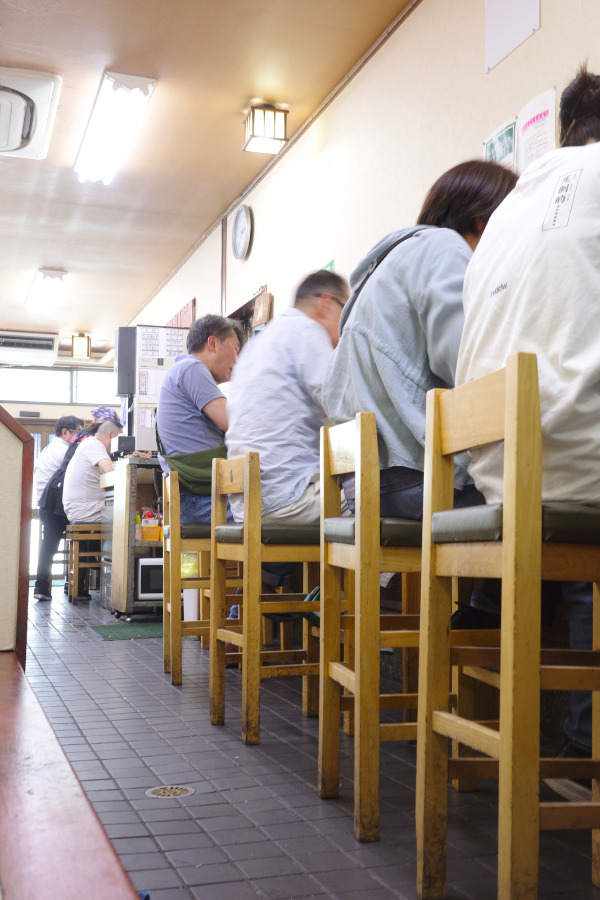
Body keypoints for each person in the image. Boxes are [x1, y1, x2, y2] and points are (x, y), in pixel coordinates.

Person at [455, 65, 600, 767]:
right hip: (572, 478)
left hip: (499, 478)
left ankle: (574, 734)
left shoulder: (509, 207)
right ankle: (585, 740)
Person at [322, 160, 517, 522]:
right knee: (544, 503)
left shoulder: (383, 267)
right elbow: (467, 364)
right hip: (414, 484)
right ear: (483, 220)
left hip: (365, 489)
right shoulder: (446, 248)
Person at [226, 270, 350, 531]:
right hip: (287, 499)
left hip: (245, 504)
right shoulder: (307, 330)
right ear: (326, 304)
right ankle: (386, 574)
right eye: (346, 311)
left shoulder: (256, 345)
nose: (345, 327)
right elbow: (344, 406)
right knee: (381, 495)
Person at [156, 314, 245, 525]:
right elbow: (232, 422)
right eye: (235, 350)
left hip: (194, 499)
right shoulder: (191, 368)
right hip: (200, 502)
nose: (237, 360)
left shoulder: (182, 371)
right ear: (213, 343)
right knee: (278, 512)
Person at [32, 415, 84, 601]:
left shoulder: (51, 448)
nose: (80, 438)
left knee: (50, 545)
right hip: (53, 505)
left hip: (47, 504)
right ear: (65, 432)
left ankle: (59, 586)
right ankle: (76, 588)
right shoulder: (63, 450)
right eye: (78, 432)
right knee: (83, 538)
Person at [62, 419, 123, 524]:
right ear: (110, 435)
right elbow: (111, 471)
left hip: (80, 508)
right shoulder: (94, 444)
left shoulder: (89, 443)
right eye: (119, 440)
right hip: (83, 509)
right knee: (127, 511)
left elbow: (109, 465)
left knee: (124, 510)